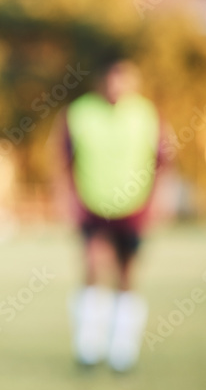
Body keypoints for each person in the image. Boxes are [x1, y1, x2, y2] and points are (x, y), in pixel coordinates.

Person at [55, 58, 166, 372]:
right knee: (92, 265)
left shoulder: (146, 114)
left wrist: (158, 202)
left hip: (133, 206)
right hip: (92, 203)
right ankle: (89, 346)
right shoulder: (80, 113)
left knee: (127, 274)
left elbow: (161, 162)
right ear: (101, 80)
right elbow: (62, 160)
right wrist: (67, 200)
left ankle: (122, 349)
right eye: (113, 79)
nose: (118, 86)